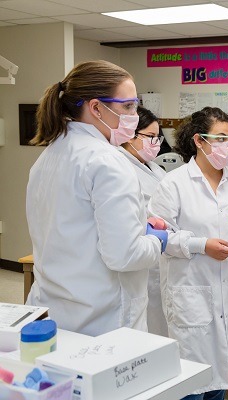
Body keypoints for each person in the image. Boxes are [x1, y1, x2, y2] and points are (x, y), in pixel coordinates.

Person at [26, 60, 167, 337]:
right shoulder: (107, 160)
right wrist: (156, 240)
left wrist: (137, 224)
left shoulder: (50, 156)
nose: (134, 115)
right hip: (104, 319)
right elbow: (125, 256)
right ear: (96, 107)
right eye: (127, 106)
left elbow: (75, 227)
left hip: (55, 310)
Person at [148, 107, 228, 400]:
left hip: (227, 293)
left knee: (218, 382)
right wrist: (201, 245)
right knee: (190, 386)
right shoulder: (173, 184)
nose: (227, 146)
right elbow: (161, 236)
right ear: (199, 141)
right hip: (191, 293)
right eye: (220, 138)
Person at [118, 106, 168, 337]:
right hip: (141, 250)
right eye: (150, 137)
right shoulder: (120, 166)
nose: (156, 143)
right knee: (145, 322)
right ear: (130, 136)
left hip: (161, 250)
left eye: (158, 137)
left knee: (160, 319)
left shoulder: (155, 168)